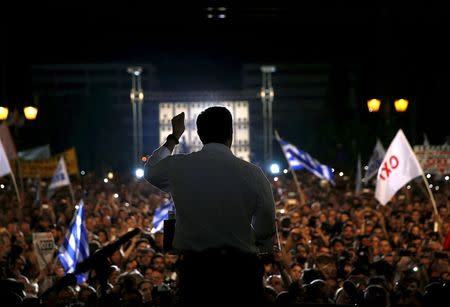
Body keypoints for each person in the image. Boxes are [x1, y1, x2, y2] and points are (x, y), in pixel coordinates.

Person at [144, 106, 276, 306]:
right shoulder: (253, 174)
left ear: (199, 134)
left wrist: (174, 137)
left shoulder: (179, 166)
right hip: (240, 273)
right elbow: (266, 227)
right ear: (231, 133)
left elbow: (151, 170)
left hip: (196, 272)